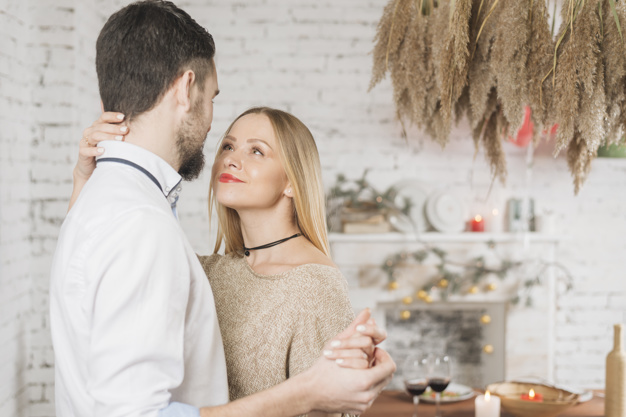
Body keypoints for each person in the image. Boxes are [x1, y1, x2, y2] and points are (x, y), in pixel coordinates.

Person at [50, 1, 395, 417]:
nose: (228, 156)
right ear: (186, 88)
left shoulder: (314, 286)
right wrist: (84, 182)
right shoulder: (173, 248)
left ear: (292, 180)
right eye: (228, 145)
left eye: (256, 151)